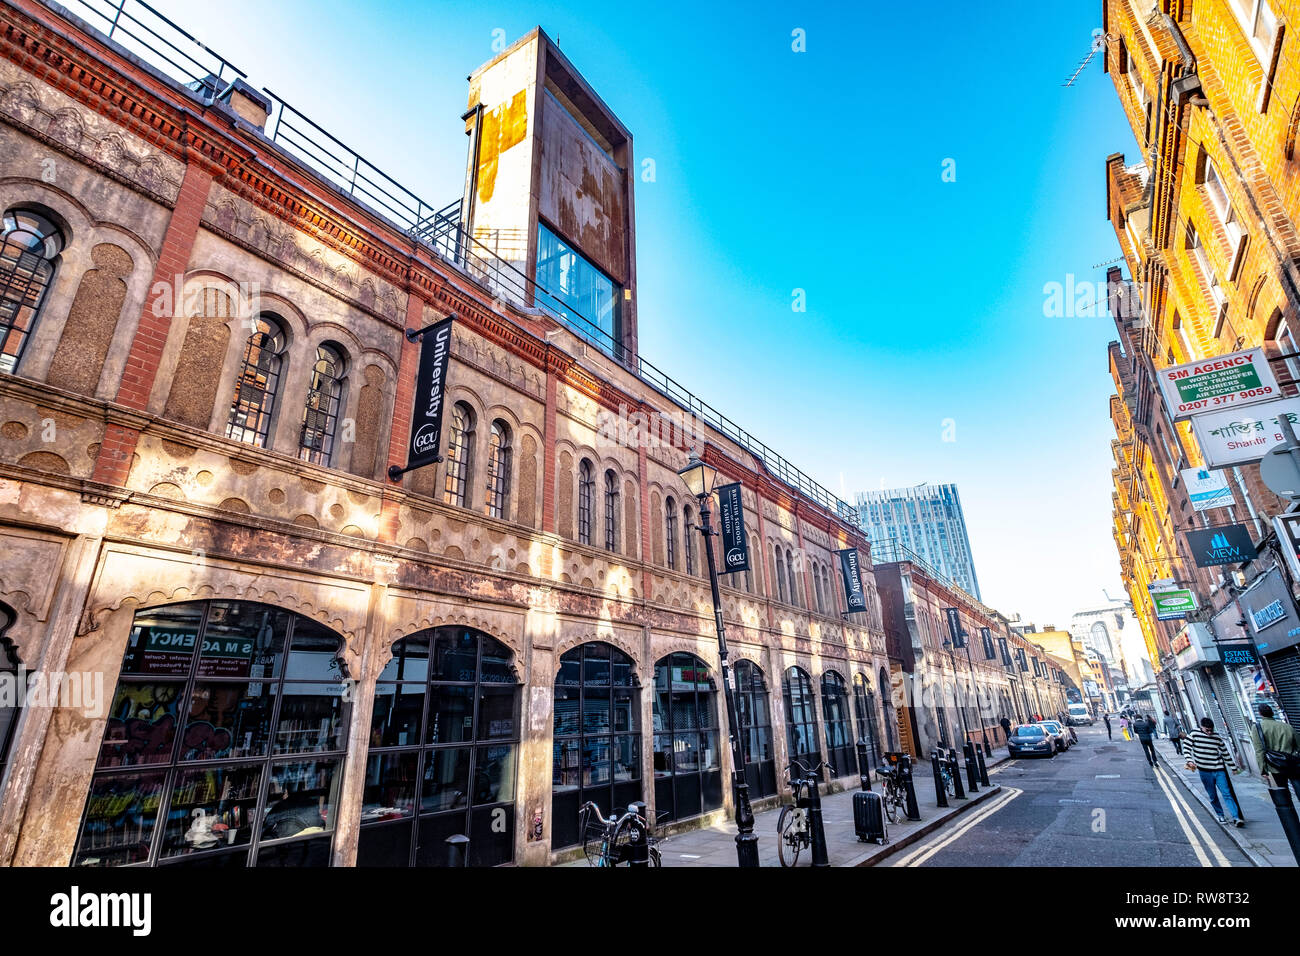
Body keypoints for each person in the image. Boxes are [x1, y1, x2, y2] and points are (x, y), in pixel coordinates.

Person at [1186, 717, 1242, 826]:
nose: (1210, 733)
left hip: (1219, 770)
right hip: (1205, 771)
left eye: (1211, 730)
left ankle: (1236, 817)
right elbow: (1186, 747)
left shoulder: (1216, 737)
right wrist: (1189, 760)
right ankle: (1220, 815)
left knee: (1227, 793)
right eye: (1207, 730)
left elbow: (1225, 753)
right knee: (1213, 795)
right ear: (1201, 727)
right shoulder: (1194, 734)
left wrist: (1233, 767)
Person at [1250, 704, 1300, 800]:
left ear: (1260, 714)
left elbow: (1259, 750)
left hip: (1275, 765)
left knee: (1283, 791)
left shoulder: (1257, 728)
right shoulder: (1287, 726)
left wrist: (1263, 769)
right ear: (1272, 713)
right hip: (1292, 763)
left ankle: (1289, 813)